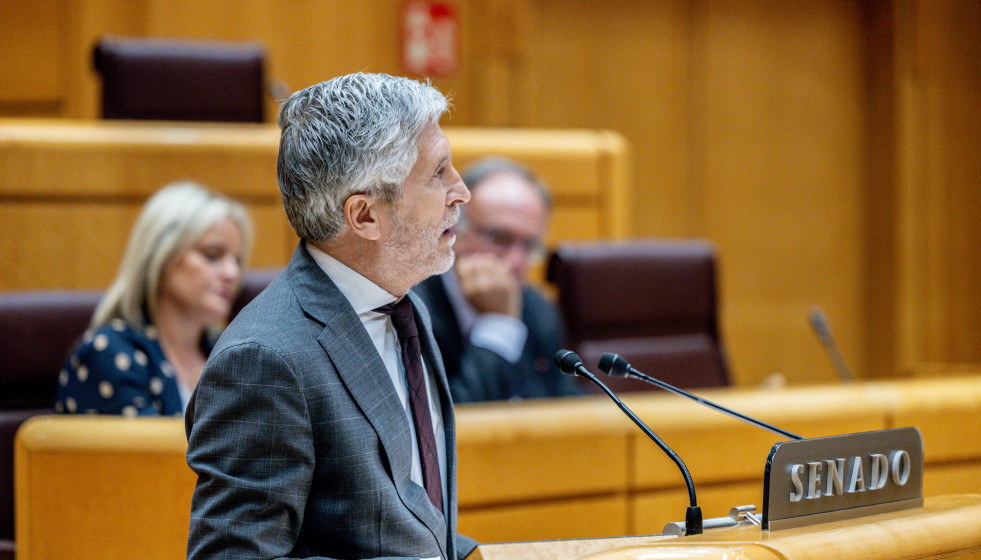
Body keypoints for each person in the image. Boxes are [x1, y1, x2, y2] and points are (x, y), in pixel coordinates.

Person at [185, 73, 478, 560]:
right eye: (438, 173)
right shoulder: (265, 360)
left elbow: (405, 515)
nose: (462, 191)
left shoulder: (405, 307)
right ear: (364, 217)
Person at [55, 182, 252, 416]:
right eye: (212, 255)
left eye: (237, 261)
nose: (232, 273)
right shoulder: (108, 355)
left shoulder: (230, 356)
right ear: (161, 255)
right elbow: (154, 453)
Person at [413, 157, 581, 402]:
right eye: (500, 238)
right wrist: (499, 326)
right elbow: (448, 427)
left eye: (529, 246)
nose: (515, 262)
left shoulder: (536, 310)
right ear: (451, 229)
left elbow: (562, 406)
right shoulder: (411, 310)